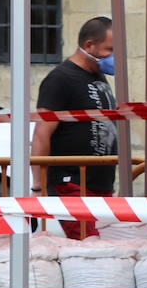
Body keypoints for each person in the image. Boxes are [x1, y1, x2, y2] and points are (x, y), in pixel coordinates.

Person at [31, 16, 118, 240]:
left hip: (100, 183)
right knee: (87, 244)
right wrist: (38, 186)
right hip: (71, 183)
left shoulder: (97, 75)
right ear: (89, 45)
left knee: (99, 245)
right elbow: (42, 133)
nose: (114, 57)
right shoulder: (60, 79)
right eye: (109, 49)